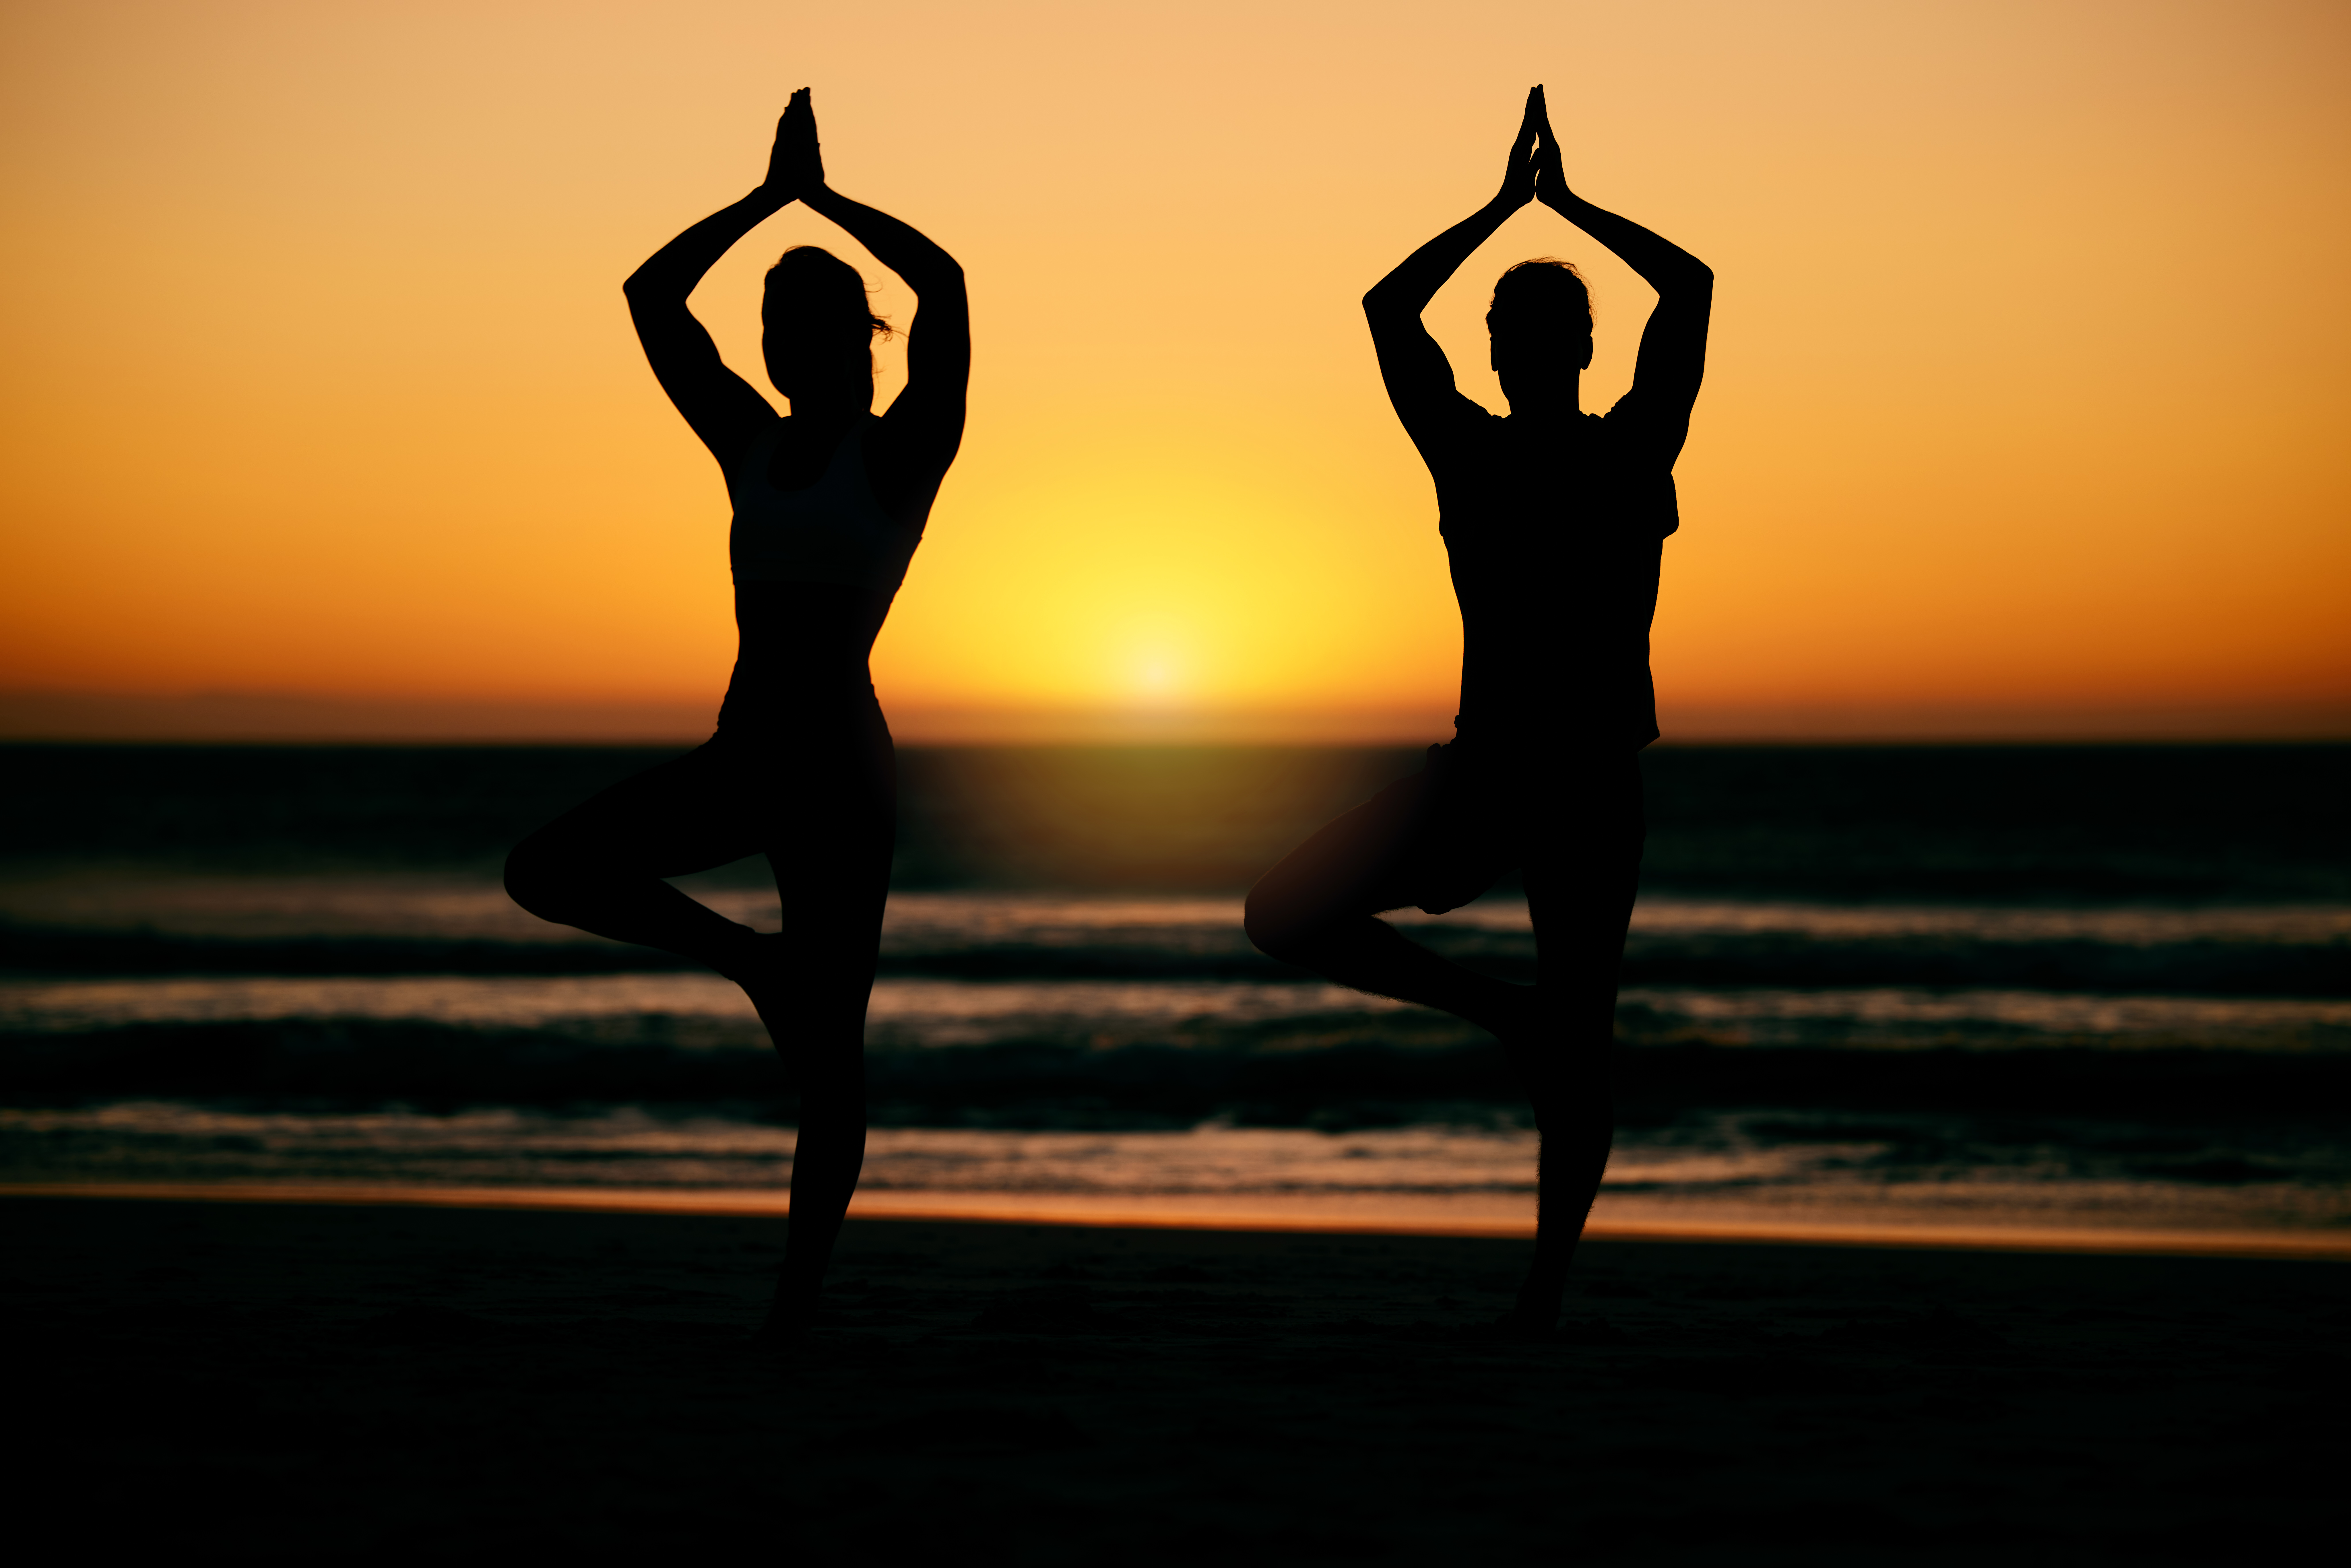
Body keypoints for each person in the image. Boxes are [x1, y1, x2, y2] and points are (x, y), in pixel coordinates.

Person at [1244, 86, 1711, 1334]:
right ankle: (1508, 1022)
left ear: (1562, 350)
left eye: (1534, 329)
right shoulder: (1501, 451)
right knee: (1288, 913)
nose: (1521, 347)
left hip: (1577, 779)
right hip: (1496, 769)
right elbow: (1680, 289)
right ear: (1505, 352)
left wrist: (1523, 208)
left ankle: (1544, 1285)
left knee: (1579, 1033)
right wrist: (1544, 208)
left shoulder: (1616, 449)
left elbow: (1398, 308)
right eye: (1514, 329)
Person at [504, 90, 968, 1343]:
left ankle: (795, 1305)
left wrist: (830, 203)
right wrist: (765, 203)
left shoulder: (903, 453)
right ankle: (754, 962)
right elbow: (653, 299)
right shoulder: (749, 446)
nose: (780, 344)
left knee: (832, 1055)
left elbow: (946, 287)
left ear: (856, 339)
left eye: (804, 324)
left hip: (840, 769)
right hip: (746, 752)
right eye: (771, 325)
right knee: (546, 870)